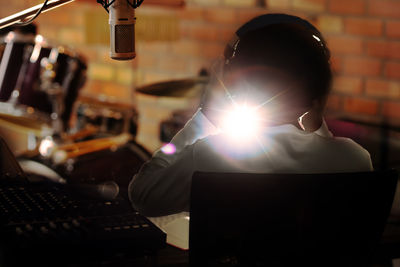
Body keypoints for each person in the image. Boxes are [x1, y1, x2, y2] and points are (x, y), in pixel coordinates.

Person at [128, 13, 373, 219]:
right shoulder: (354, 159)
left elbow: (144, 196)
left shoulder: (211, 156)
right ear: (319, 89)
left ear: (237, 83)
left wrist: (205, 116)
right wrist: (317, 115)